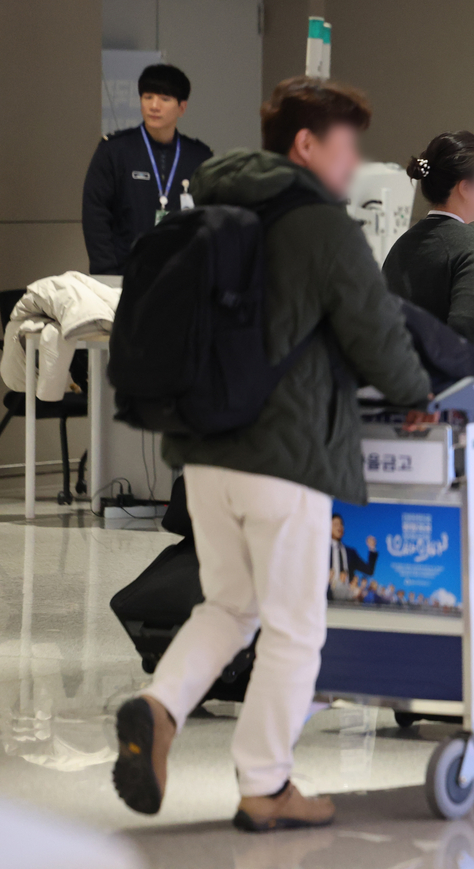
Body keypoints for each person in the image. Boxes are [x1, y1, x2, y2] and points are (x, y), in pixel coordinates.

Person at [111, 77, 431, 831]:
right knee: (296, 628)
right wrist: (417, 389)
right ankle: (266, 783)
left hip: (207, 453)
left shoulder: (210, 203)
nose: (353, 165)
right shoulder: (320, 225)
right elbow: (378, 337)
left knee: (230, 605)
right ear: (307, 144)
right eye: (346, 147)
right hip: (284, 459)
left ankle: (158, 712)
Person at [383, 131, 474, 369]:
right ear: (466, 188)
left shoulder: (401, 245)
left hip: (404, 384)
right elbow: (463, 328)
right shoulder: (472, 250)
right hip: (455, 393)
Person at [82, 63, 213, 275]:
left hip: (182, 274)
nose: (154, 105)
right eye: (148, 97)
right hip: (124, 272)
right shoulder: (115, 150)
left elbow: (210, 219)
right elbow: (95, 212)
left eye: (165, 99)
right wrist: (106, 271)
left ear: (182, 107)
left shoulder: (199, 157)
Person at [328, 513, 378, 581]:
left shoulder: (350, 553)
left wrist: (372, 548)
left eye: (341, 524)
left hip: (346, 591)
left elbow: (369, 571)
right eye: (336, 524)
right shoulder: (322, 550)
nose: (339, 527)